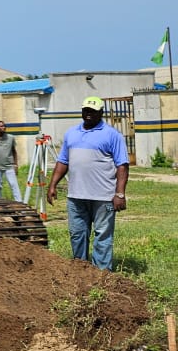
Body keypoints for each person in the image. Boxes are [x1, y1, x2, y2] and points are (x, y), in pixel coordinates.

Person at [47, 97, 130, 270]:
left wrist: (119, 194)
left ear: (101, 113)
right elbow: (63, 161)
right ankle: (80, 270)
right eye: (86, 110)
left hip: (103, 197)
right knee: (77, 233)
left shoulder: (112, 135)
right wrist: (53, 184)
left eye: (93, 111)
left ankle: (101, 275)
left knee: (102, 235)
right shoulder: (71, 133)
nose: (89, 114)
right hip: (76, 196)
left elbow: (122, 165)